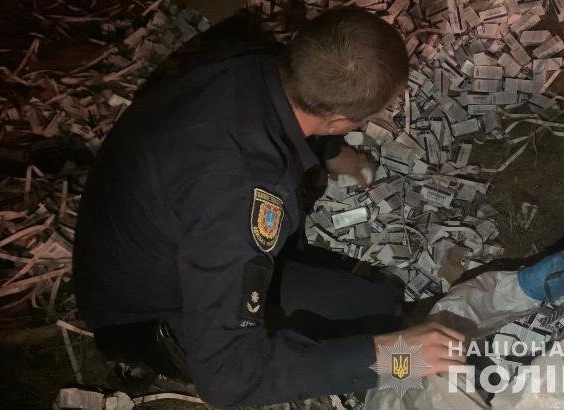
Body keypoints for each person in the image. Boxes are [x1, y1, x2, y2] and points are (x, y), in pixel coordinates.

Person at [73, 7, 464, 407]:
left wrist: (333, 151)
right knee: (375, 321)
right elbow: (228, 380)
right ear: (339, 120)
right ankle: (141, 359)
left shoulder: (249, 60)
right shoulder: (242, 194)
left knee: (376, 301)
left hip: (134, 245)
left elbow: (300, 104)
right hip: (147, 316)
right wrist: (397, 358)